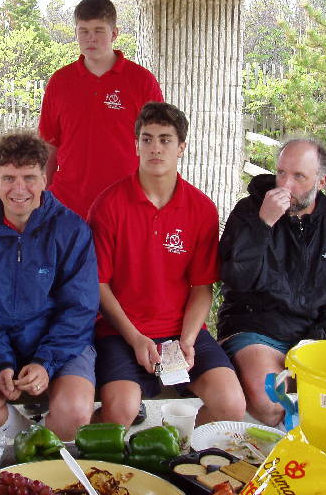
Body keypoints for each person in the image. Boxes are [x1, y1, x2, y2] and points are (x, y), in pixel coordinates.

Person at [88, 102, 246, 428]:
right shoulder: (109, 205)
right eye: (146, 139)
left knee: (231, 404)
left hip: (181, 331)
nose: (155, 149)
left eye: (165, 139)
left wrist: (187, 341)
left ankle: (183, 457)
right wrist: (135, 338)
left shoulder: (201, 208)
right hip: (121, 332)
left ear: (181, 147)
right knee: (121, 412)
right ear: (136, 145)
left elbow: (203, 286)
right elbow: (98, 285)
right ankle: (93, 450)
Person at [217, 138, 326, 426]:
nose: (285, 185)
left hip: (311, 336)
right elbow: (234, 279)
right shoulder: (249, 211)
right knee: (272, 404)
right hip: (255, 329)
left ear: (321, 181)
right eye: (281, 173)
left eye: (298, 176)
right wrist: (263, 225)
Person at [0, 131, 99, 441]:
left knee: (75, 412)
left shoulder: (71, 229)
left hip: (61, 345)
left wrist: (45, 362)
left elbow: (79, 307)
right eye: (9, 178)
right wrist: (1, 361)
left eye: (29, 177)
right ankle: (23, 441)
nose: (19, 189)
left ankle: (44, 462)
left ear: (45, 179)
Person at [38, 0, 163, 219]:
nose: (91, 38)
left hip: (126, 202)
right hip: (68, 202)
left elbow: (159, 142)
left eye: (99, 30)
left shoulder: (142, 81)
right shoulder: (60, 81)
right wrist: (42, 193)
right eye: (84, 31)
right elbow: (49, 144)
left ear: (114, 33)